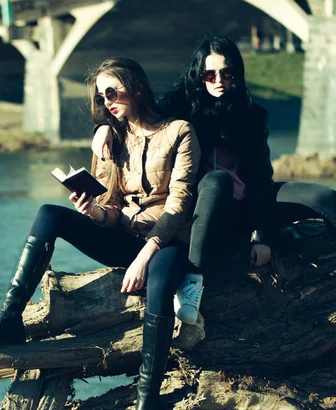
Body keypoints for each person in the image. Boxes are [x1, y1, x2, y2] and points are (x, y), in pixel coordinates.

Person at [0, 57, 201, 410]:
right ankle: (10, 317)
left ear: (137, 88)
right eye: (101, 95)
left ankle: (147, 395)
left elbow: (180, 202)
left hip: (167, 241)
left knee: (159, 285)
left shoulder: (178, 132)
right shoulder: (111, 139)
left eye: (114, 91)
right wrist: (94, 211)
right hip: (124, 237)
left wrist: (144, 255)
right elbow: (112, 206)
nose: (107, 100)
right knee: (49, 214)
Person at [92, 35, 336, 324]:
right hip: (202, 210)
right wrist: (105, 125)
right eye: (209, 74)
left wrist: (261, 235)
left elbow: (260, 176)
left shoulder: (253, 114)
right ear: (200, 76)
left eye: (226, 73)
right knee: (217, 180)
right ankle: (193, 279)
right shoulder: (180, 106)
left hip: (243, 206)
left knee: (325, 197)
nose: (218, 80)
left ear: (237, 74)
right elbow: (137, 110)